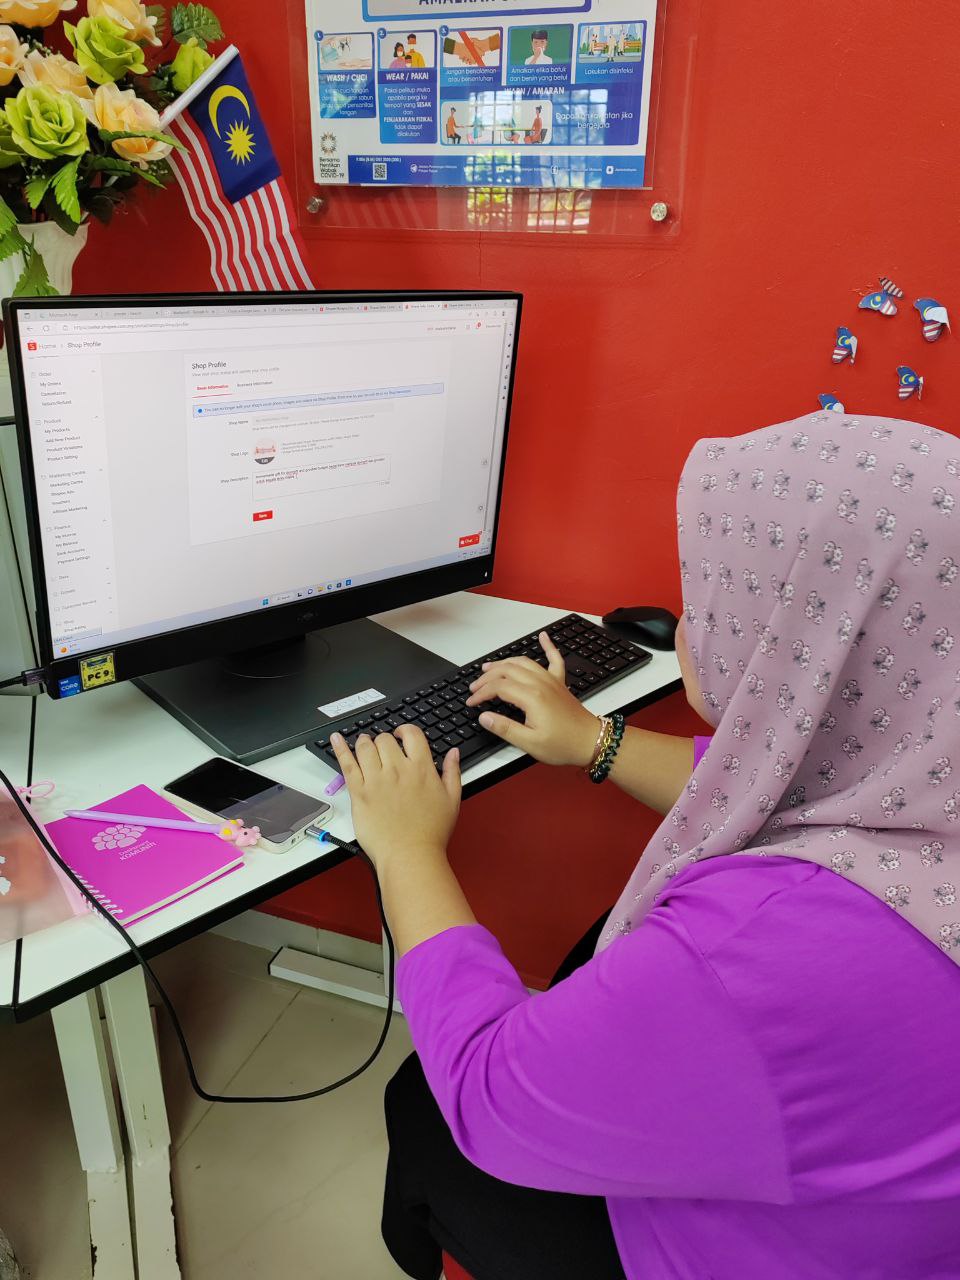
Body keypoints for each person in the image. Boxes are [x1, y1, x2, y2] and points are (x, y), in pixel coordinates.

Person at [332, 411, 960, 1280]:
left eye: (714, 593)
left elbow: (487, 1090)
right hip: (899, 1201)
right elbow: (789, 784)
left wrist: (406, 849)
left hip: (759, 1252)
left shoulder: (755, 949)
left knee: (426, 1103)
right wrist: (597, 740)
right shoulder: (927, 761)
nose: (691, 620)